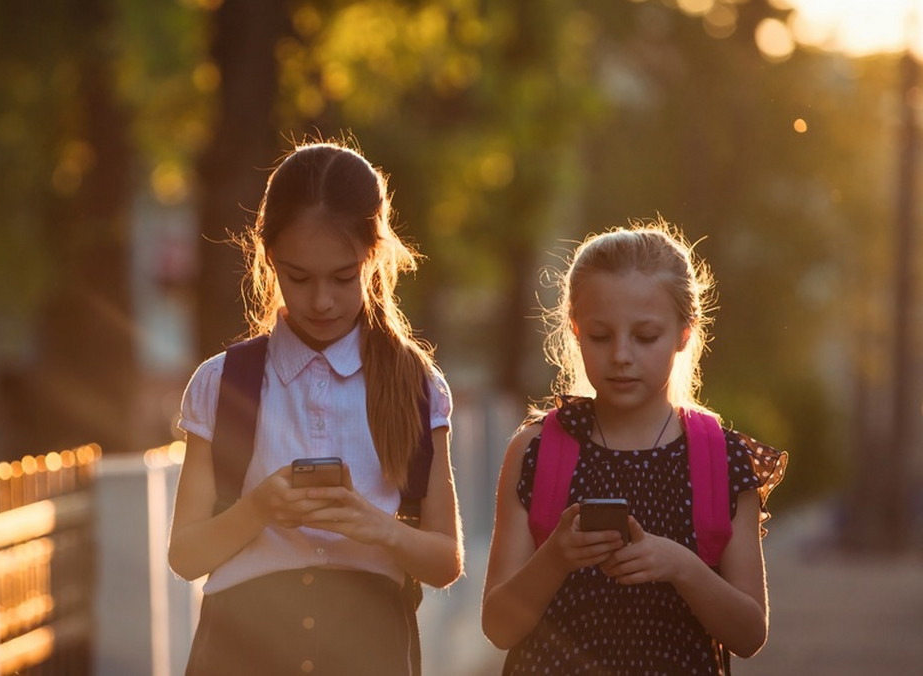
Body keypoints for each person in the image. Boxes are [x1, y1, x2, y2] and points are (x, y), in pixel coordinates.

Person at [168, 140, 463, 676]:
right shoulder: (222, 383)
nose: (321, 300)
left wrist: (375, 526)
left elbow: (446, 562)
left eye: (343, 277)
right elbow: (185, 556)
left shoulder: (415, 385)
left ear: (374, 256)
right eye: (298, 277)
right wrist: (258, 509)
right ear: (268, 258)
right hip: (240, 651)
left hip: (368, 651)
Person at [481, 220, 787, 675]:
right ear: (575, 329)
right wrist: (556, 557)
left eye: (645, 337)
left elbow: (749, 634)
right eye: (601, 336)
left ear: (685, 333)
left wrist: (682, 566)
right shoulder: (537, 449)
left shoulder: (721, 460)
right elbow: (498, 627)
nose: (621, 355)